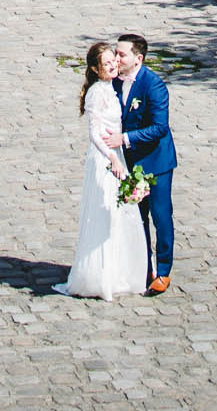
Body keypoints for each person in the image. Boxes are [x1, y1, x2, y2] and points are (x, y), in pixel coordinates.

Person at [52, 42, 149, 300]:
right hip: (105, 158)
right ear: (95, 69)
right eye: (106, 63)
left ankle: (118, 272)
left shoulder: (110, 87)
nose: (113, 65)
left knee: (118, 215)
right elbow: (94, 133)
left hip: (116, 154)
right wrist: (112, 160)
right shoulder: (98, 92)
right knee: (105, 213)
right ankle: (100, 276)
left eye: (114, 61)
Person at [104, 33, 176, 294]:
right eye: (116, 52)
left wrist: (124, 139)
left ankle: (164, 270)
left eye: (122, 54)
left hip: (156, 162)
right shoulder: (113, 83)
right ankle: (144, 267)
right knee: (137, 218)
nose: (117, 58)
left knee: (160, 215)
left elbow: (159, 127)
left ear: (138, 58)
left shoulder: (152, 85)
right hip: (130, 163)